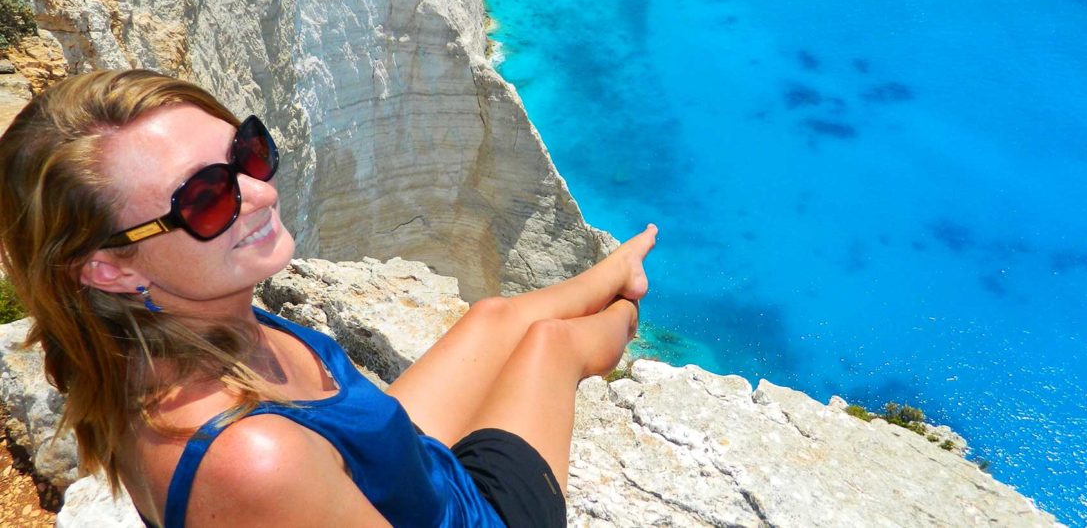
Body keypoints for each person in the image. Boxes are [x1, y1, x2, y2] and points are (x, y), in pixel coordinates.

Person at [0, 69, 656, 527]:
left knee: (495, 315)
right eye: (206, 198)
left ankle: (618, 262)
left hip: (411, 477)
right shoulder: (253, 460)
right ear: (109, 268)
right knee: (555, 343)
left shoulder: (178, 324)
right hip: (478, 517)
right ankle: (630, 293)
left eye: (247, 154)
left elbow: (337, 451)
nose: (258, 193)